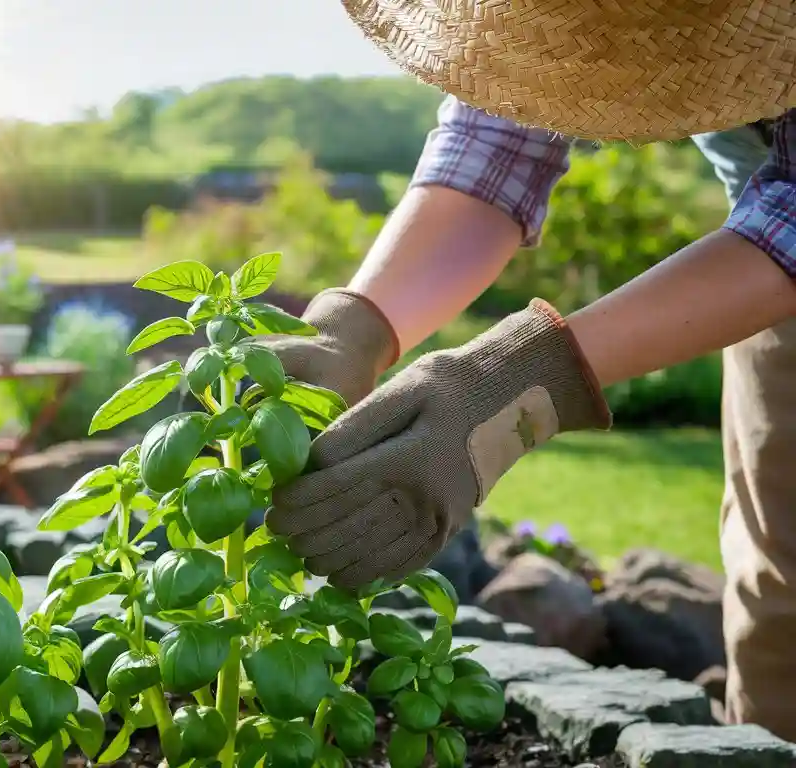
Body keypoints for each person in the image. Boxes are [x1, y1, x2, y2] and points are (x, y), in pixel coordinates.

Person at [261, 0, 796, 741]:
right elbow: (496, 143)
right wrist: (356, 328)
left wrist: (522, 382)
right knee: (785, 606)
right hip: (772, 281)